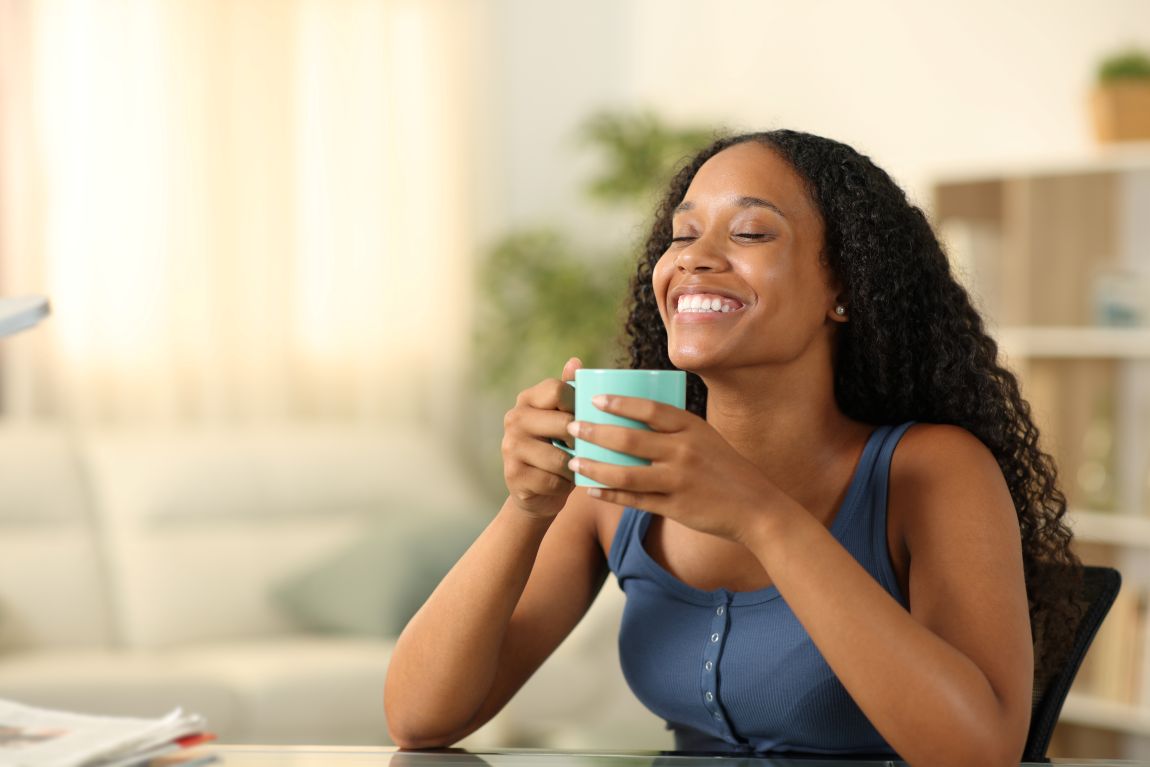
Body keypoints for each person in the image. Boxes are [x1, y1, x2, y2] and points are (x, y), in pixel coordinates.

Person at [383, 130, 1081, 767]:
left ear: (844, 288)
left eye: (749, 231)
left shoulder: (930, 471)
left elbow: (980, 752)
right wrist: (528, 507)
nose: (694, 258)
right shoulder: (620, 482)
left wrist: (760, 515)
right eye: (682, 235)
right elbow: (419, 719)